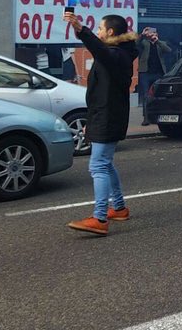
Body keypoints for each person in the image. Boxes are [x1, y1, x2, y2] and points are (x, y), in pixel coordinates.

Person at [63, 13, 138, 236]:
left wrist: (81, 29)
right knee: (105, 163)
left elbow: (100, 50)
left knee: (98, 166)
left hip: (109, 116)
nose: (98, 31)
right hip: (103, 115)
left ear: (111, 33)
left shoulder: (116, 55)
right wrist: (91, 120)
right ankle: (120, 208)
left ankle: (100, 218)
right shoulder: (119, 53)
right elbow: (99, 92)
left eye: (100, 28)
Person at [137, 26, 171, 126]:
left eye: (154, 34)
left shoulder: (161, 43)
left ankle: (160, 116)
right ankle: (146, 118)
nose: (153, 35)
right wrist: (142, 35)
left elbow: (168, 50)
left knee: (160, 95)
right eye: (151, 34)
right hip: (145, 73)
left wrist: (157, 41)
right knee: (146, 96)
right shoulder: (144, 42)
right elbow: (135, 44)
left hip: (158, 73)